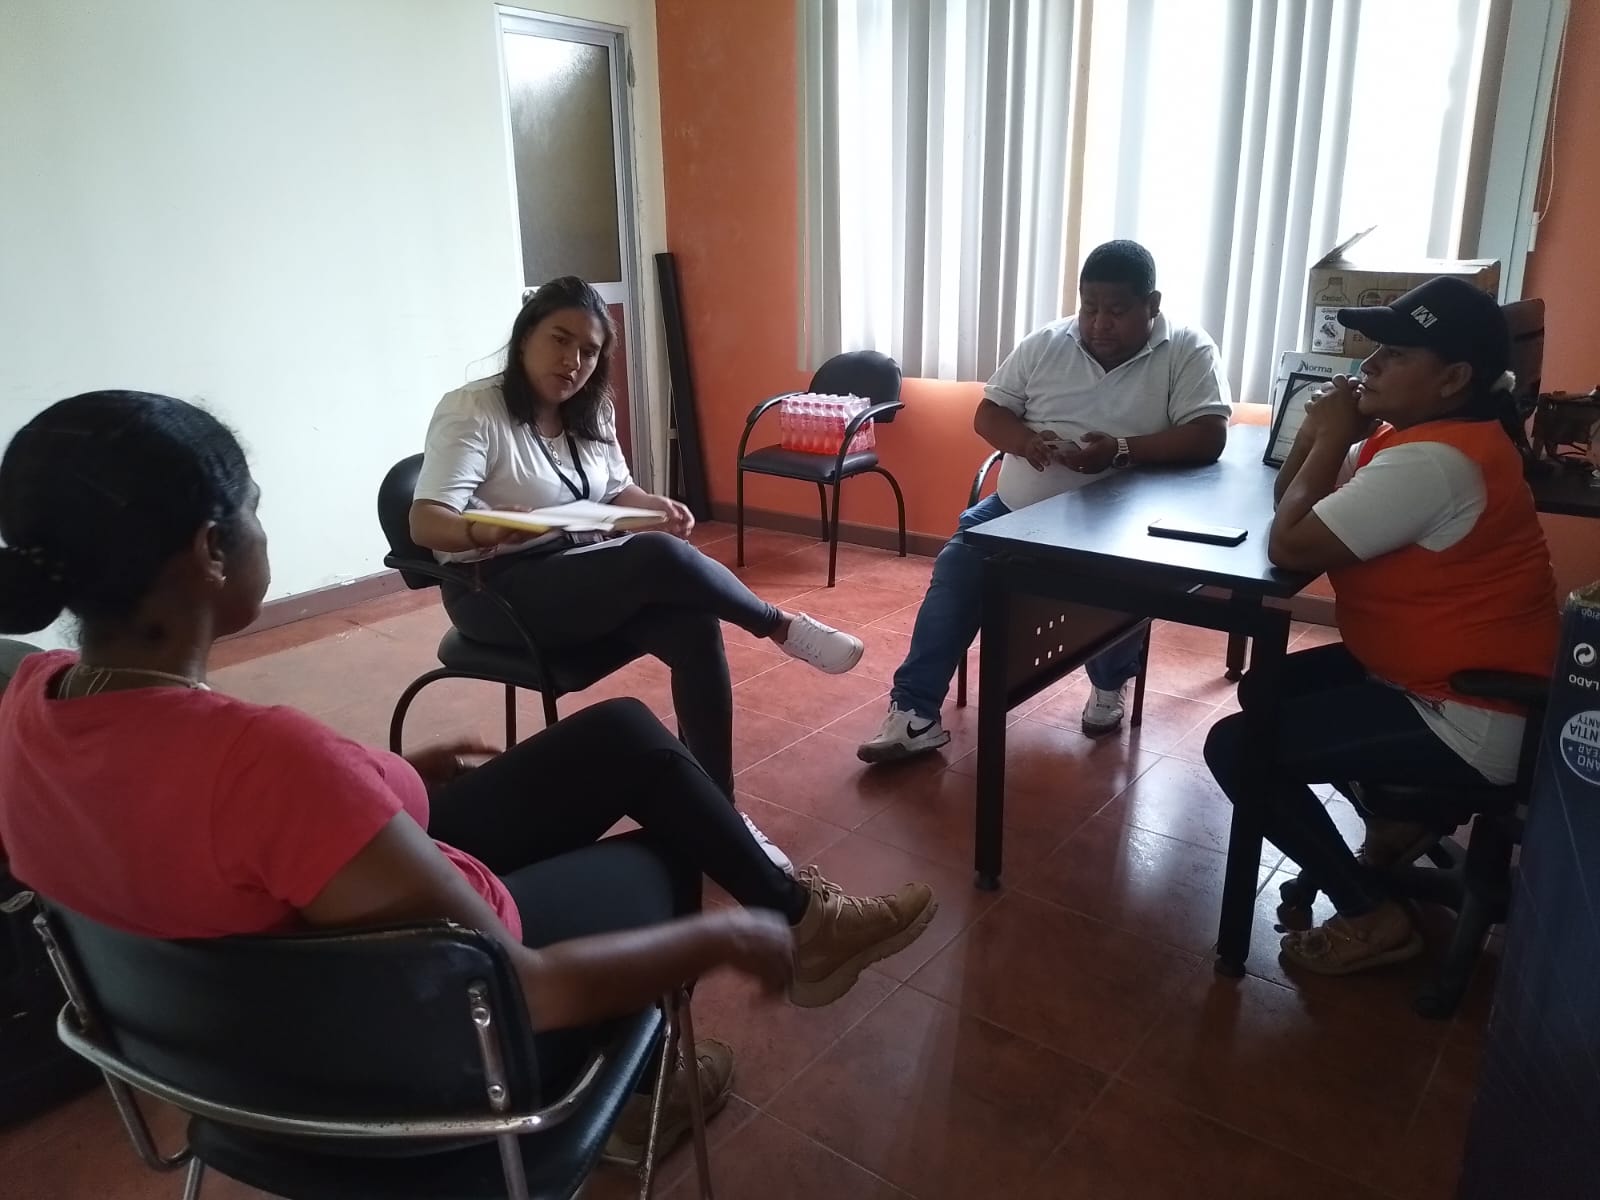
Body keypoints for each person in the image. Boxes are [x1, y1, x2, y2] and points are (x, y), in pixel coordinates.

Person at [0, 391, 938, 1164]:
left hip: (234, 1043)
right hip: (404, 1050)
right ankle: (647, 1085)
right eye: (252, 508)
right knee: (667, 847)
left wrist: (384, 778)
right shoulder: (263, 764)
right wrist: (723, 938)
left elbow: (224, 829)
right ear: (211, 550)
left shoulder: (31, 699)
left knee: (621, 734)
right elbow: (533, 991)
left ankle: (802, 922)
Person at [411, 277, 864, 871]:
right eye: (560, 339)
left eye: (589, 350)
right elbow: (426, 520)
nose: (573, 361)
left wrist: (654, 505)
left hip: (575, 570)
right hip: (495, 589)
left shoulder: (590, 409)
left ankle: (718, 812)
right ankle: (779, 626)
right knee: (657, 557)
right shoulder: (474, 410)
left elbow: (614, 491)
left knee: (691, 624)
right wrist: (484, 530)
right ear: (525, 337)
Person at [1204, 277, 1559, 976]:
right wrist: (1319, 433)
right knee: (1266, 688)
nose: (1368, 366)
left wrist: (1333, 433)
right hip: (1432, 676)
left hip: (1468, 712)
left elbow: (1291, 545)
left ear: (1452, 379)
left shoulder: (1435, 464)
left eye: (1394, 355)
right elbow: (1294, 504)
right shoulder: (1416, 437)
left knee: (1239, 748)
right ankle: (1400, 820)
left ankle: (1370, 913)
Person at [858, 240, 1233, 763]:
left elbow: (1209, 435)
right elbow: (989, 414)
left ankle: (1110, 683)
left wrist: (1120, 451)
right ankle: (914, 712)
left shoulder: (1188, 350)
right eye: (1089, 307)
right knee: (958, 565)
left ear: (1152, 304)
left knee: (1128, 583)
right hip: (1021, 512)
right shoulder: (1047, 343)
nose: (1099, 323)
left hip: (1125, 528)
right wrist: (1026, 442)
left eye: (1117, 310)